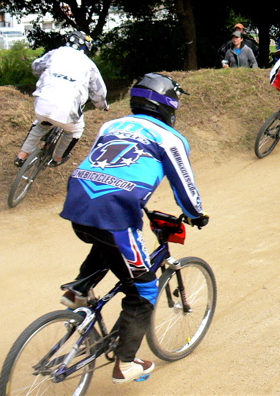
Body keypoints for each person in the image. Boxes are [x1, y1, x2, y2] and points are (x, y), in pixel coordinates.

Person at [58, 72, 209, 384]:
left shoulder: (111, 126)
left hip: (78, 204)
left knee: (107, 245)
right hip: (115, 214)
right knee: (144, 290)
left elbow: (113, 166)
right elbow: (184, 184)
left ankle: (77, 291)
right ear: (169, 105)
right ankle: (125, 364)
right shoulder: (170, 138)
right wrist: (195, 214)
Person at [14, 30, 109, 168]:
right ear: (86, 47)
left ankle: (22, 155)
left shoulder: (55, 52)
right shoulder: (89, 64)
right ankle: (57, 158)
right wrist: (102, 106)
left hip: (42, 102)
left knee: (41, 123)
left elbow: (36, 67)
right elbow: (99, 92)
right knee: (75, 130)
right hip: (67, 109)